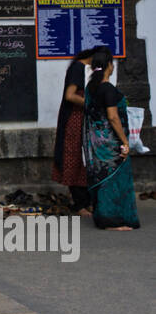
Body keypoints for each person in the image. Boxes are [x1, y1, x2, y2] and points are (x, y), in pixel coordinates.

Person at [82, 48, 140, 230]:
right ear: (108, 65)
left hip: (97, 143)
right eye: (112, 63)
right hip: (111, 143)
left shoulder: (91, 88)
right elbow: (113, 117)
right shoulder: (107, 89)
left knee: (103, 178)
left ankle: (104, 217)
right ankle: (111, 221)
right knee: (113, 180)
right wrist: (124, 141)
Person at [51, 47, 96, 213]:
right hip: (74, 120)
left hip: (81, 120)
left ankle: (85, 201)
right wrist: (93, 104)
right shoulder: (78, 68)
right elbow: (70, 95)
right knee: (74, 159)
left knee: (83, 162)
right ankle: (79, 203)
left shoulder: (81, 68)